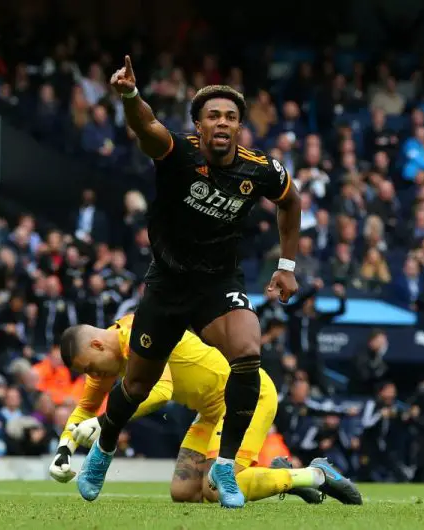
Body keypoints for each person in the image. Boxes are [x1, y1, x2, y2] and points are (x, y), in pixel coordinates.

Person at [73, 56, 301, 508]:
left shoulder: (261, 170)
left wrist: (287, 266)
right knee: (136, 386)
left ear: (240, 127)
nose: (223, 122)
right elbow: (147, 128)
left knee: (249, 352)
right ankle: (103, 446)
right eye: (213, 115)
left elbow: (290, 202)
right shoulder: (179, 154)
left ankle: (226, 467)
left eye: (231, 117)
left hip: (218, 284)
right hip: (168, 284)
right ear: (198, 124)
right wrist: (130, 96)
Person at [53, 315, 362, 505]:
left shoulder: (140, 336)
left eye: (90, 368)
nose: (92, 377)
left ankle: (317, 475)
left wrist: (104, 421)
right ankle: (281, 475)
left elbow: (161, 392)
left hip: (244, 396)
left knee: (217, 490)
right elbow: (85, 406)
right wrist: (64, 448)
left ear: (97, 345)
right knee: (184, 492)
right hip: (211, 410)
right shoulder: (108, 359)